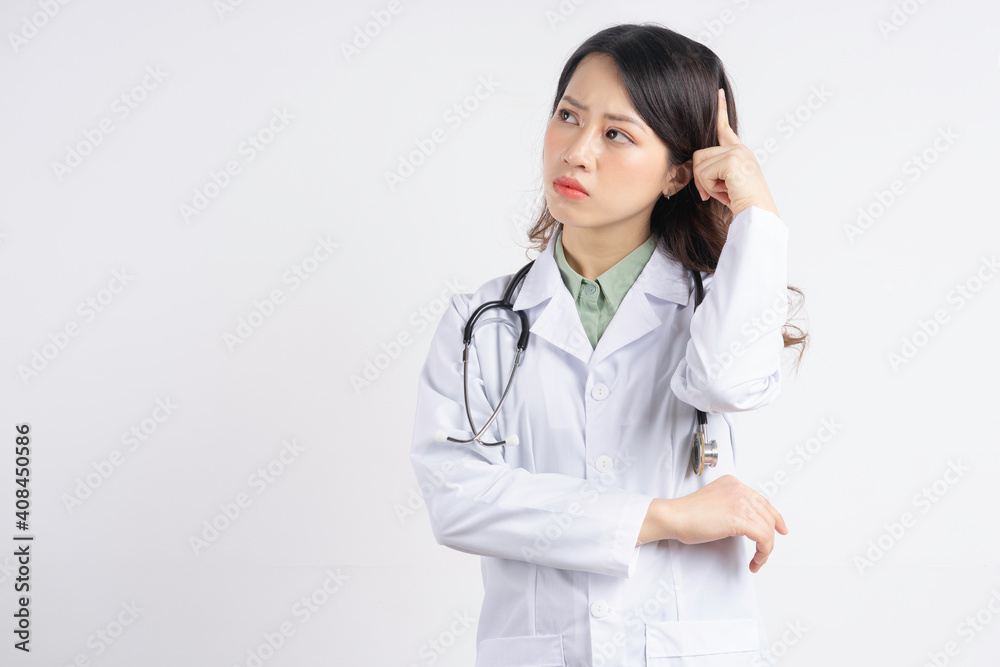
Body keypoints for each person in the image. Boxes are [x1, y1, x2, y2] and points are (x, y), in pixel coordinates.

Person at [410, 22, 808, 667]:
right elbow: (458, 501)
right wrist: (665, 516)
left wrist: (757, 215)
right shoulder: (481, 321)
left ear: (679, 172)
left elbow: (726, 383)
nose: (577, 150)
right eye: (568, 116)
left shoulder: (712, 305)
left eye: (616, 133)